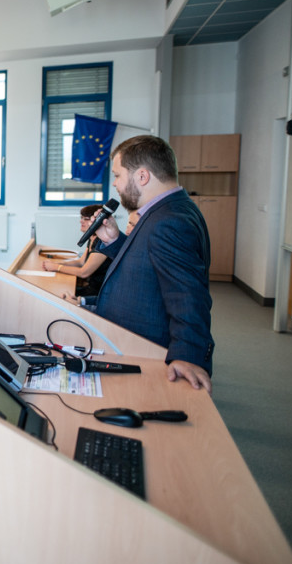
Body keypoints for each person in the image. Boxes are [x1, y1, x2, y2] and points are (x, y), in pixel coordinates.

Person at [76, 135, 215, 391]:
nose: (115, 185)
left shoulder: (168, 221)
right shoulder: (167, 210)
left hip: (149, 350)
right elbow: (146, 267)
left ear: (142, 176)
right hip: (133, 344)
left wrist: (187, 356)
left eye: (118, 175)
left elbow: (188, 295)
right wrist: (115, 240)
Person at [41, 204, 112, 297]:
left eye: (85, 219)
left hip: (97, 293)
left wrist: (56, 267)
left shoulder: (102, 243)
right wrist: (57, 263)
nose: (81, 221)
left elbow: (84, 272)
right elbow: (81, 262)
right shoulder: (92, 238)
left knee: (56, 294)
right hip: (90, 287)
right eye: (81, 217)